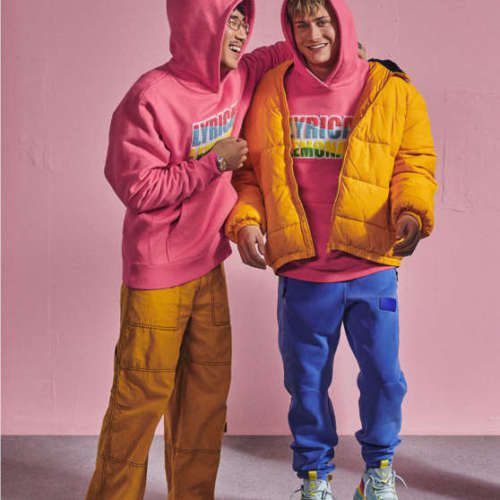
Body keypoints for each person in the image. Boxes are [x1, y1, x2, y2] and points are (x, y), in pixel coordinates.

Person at [84, 1, 296, 499]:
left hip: (208, 265)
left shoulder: (239, 77)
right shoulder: (150, 97)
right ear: (200, 24)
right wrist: (212, 163)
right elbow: (136, 188)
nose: (240, 31)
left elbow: (279, 53)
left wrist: (341, 53)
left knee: (204, 402)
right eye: (229, 19)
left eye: (244, 19)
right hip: (157, 272)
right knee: (140, 400)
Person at [226, 0, 437, 498]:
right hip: (302, 270)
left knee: (385, 377)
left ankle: (378, 471)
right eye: (300, 23)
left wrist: (412, 212)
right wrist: (247, 222)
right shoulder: (271, 90)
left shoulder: (391, 89)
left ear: (342, 23)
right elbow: (250, 173)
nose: (312, 33)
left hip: (371, 265)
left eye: (322, 21)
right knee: (305, 384)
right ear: (289, 30)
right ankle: (315, 479)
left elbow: (413, 164)